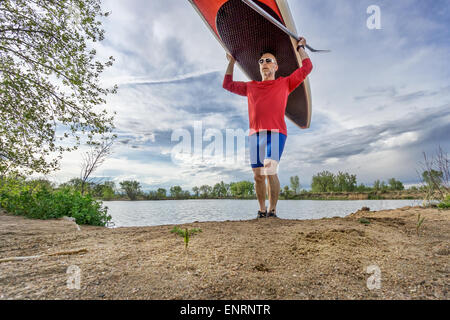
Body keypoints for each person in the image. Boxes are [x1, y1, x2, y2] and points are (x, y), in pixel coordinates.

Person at [223, 37, 313, 218]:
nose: (264, 63)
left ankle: (272, 211)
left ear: (275, 67)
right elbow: (227, 84)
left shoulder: (285, 83)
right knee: (258, 176)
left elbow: (307, 67)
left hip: (276, 132)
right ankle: (261, 210)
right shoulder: (251, 87)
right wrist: (231, 62)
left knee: (269, 168)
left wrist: (300, 47)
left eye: (268, 60)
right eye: (261, 61)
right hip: (255, 135)